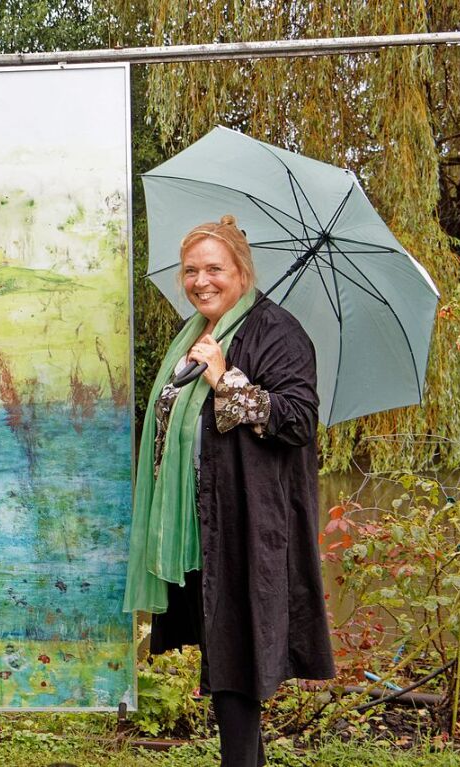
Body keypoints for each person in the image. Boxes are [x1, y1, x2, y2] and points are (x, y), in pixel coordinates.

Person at [124, 215, 335, 767]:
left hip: (249, 522)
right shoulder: (194, 335)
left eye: (214, 268)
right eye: (191, 270)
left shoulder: (278, 332)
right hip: (203, 522)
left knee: (236, 657)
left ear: (241, 272)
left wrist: (226, 380)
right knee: (226, 655)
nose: (201, 281)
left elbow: (298, 420)